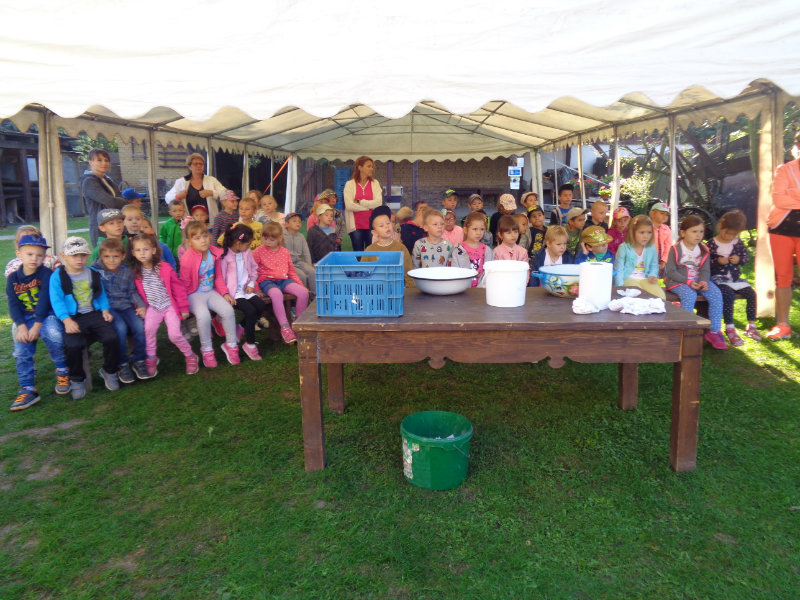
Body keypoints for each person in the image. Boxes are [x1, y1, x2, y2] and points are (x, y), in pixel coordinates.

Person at [49, 236, 121, 399]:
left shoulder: (92, 273)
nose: (79, 259)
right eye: (74, 255)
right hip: (73, 317)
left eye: (83, 255)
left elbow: (100, 293)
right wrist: (66, 320)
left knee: (111, 337)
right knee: (73, 346)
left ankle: (109, 371)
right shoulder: (58, 276)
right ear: (63, 256)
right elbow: (57, 300)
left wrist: (105, 310)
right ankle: (77, 379)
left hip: (93, 313)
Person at [6, 233, 70, 411]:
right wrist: (21, 327)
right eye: (29, 254)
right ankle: (28, 388)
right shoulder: (13, 278)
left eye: (39, 255)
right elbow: (13, 305)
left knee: (52, 333)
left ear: (44, 257)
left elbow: (44, 302)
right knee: (21, 349)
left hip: (47, 315)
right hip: (25, 318)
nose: (34, 258)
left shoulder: (46, 274)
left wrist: (37, 326)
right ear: (19, 254)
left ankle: (62, 370)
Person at [128, 233, 198, 376]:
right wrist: (140, 307)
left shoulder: (164, 268)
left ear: (153, 250)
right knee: (148, 330)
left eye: (146, 249)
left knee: (174, 335)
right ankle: (151, 358)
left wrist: (183, 308)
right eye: (138, 250)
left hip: (169, 306)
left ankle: (190, 356)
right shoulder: (136, 273)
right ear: (133, 253)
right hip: (153, 308)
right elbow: (135, 293)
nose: (142, 253)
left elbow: (178, 288)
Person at [179, 221, 241, 367]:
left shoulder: (214, 253)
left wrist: (225, 293)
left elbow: (217, 276)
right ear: (189, 242)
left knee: (228, 311)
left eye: (205, 236)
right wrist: (183, 305)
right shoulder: (187, 259)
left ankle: (231, 346)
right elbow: (184, 284)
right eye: (197, 238)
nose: (203, 240)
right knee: (204, 316)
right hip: (193, 294)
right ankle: (207, 350)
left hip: (210, 291)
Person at [664, 215, 727, 350]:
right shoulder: (676, 249)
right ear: (683, 233)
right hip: (678, 281)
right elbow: (670, 271)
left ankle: (714, 331)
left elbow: (705, 270)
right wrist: (688, 281)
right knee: (689, 295)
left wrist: (703, 281)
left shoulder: (703, 250)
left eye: (701, 231)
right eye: (694, 231)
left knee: (716, 295)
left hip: (697, 281)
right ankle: (684, 330)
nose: (698, 235)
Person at [92, 238, 148, 383]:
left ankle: (139, 359)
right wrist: (102, 310)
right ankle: (122, 363)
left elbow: (132, 292)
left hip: (126, 306)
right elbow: (94, 293)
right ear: (100, 256)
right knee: (120, 329)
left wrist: (141, 305)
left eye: (115, 256)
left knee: (140, 326)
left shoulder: (127, 270)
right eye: (107, 256)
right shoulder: (95, 271)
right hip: (109, 308)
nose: (111, 260)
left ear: (123, 256)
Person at [707, 210, 761, 345]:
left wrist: (739, 260)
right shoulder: (712, 243)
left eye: (733, 234)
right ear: (721, 227)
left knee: (751, 294)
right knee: (728, 295)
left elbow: (745, 258)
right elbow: (705, 262)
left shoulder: (737, 243)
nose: (729, 236)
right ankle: (730, 326)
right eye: (727, 233)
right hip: (719, 278)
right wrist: (717, 261)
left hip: (735, 279)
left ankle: (751, 325)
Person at [766, 130, 800, 340]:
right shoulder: (784, 169)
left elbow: (786, 197)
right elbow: (779, 199)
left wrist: (793, 193)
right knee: (783, 277)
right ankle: (783, 325)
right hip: (781, 229)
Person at [252, 221, 310, 344]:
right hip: (266, 281)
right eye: (265, 238)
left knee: (303, 293)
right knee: (276, 294)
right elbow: (251, 271)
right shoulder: (258, 251)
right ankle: (285, 328)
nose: (267, 242)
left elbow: (291, 271)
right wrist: (256, 288)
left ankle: (298, 324)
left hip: (284, 280)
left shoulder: (284, 252)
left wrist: (300, 284)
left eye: (271, 240)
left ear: (279, 238)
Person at [218, 225, 267, 361]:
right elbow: (220, 278)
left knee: (261, 306)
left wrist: (251, 284)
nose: (249, 246)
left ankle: (240, 327)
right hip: (233, 293)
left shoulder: (246, 253)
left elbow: (254, 269)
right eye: (248, 243)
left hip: (246, 290)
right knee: (251, 311)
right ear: (238, 243)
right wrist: (225, 294)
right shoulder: (225, 257)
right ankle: (250, 344)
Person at [80, 148, 126, 247]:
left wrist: (120, 200)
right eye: (99, 160)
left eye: (106, 160)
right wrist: (122, 201)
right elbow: (110, 201)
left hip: (116, 224)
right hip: (101, 227)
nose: (104, 163)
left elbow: (119, 198)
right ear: (91, 162)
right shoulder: (89, 181)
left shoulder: (108, 180)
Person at [165, 153, 227, 223]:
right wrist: (178, 196)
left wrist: (212, 193)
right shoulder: (181, 182)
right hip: (189, 224)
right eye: (195, 164)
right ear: (189, 166)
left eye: (201, 164)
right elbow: (167, 198)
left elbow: (225, 194)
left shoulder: (212, 180)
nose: (198, 166)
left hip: (210, 224)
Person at [613, 216, 664, 298]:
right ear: (633, 232)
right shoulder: (624, 248)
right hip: (628, 278)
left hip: (645, 278)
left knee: (660, 296)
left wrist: (652, 275)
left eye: (649, 232)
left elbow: (654, 265)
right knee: (637, 294)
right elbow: (618, 269)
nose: (646, 236)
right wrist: (619, 286)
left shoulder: (651, 248)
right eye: (642, 232)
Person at [365, 205, 415, 287]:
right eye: (381, 225)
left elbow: (408, 273)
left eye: (388, 223)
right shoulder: (369, 250)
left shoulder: (401, 248)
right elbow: (364, 274)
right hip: (376, 289)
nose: (386, 226)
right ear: (375, 232)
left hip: (397, 288)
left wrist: (411, 289)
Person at [343, 156, 383, 251]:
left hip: (372, 225)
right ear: (360, 167)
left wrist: (360, 202)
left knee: (371, 254)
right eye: (368, 166)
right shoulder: (349, 184)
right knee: (358, 255)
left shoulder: (375, 183)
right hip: (356, 226)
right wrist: (369, 207)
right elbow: (349, 205)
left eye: (372, 166)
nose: (371, 169)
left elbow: (378, 203)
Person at [451, 211, 494, 288]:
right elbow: (454, 271)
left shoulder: (487, 250)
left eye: (482, 229)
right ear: (465, 230)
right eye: (475, 229)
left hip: (481, 290)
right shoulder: (458, 249)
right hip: (462, 288)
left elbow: (488, 273)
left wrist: (480, 288)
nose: (479, 233)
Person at [284, 212, 315, 291]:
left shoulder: (301, 236)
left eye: (299, 221)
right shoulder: (282, 236)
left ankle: (314, 295)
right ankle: (301, 295)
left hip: (298, 262)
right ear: (287, 224)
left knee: (312, 272)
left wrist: (309, 265)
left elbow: (306, 252)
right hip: (287, 264)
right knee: (301, 276)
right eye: (294, 221)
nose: (297, 223)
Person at [649, 201, 672, 275]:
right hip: (647, 260)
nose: (664, 216)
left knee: (660, 278)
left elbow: (668, 246)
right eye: (662, 213)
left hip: (660, 261)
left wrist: (664, 261)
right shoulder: (647, 227)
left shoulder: (666, 229)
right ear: (652, 214)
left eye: (666, 215)